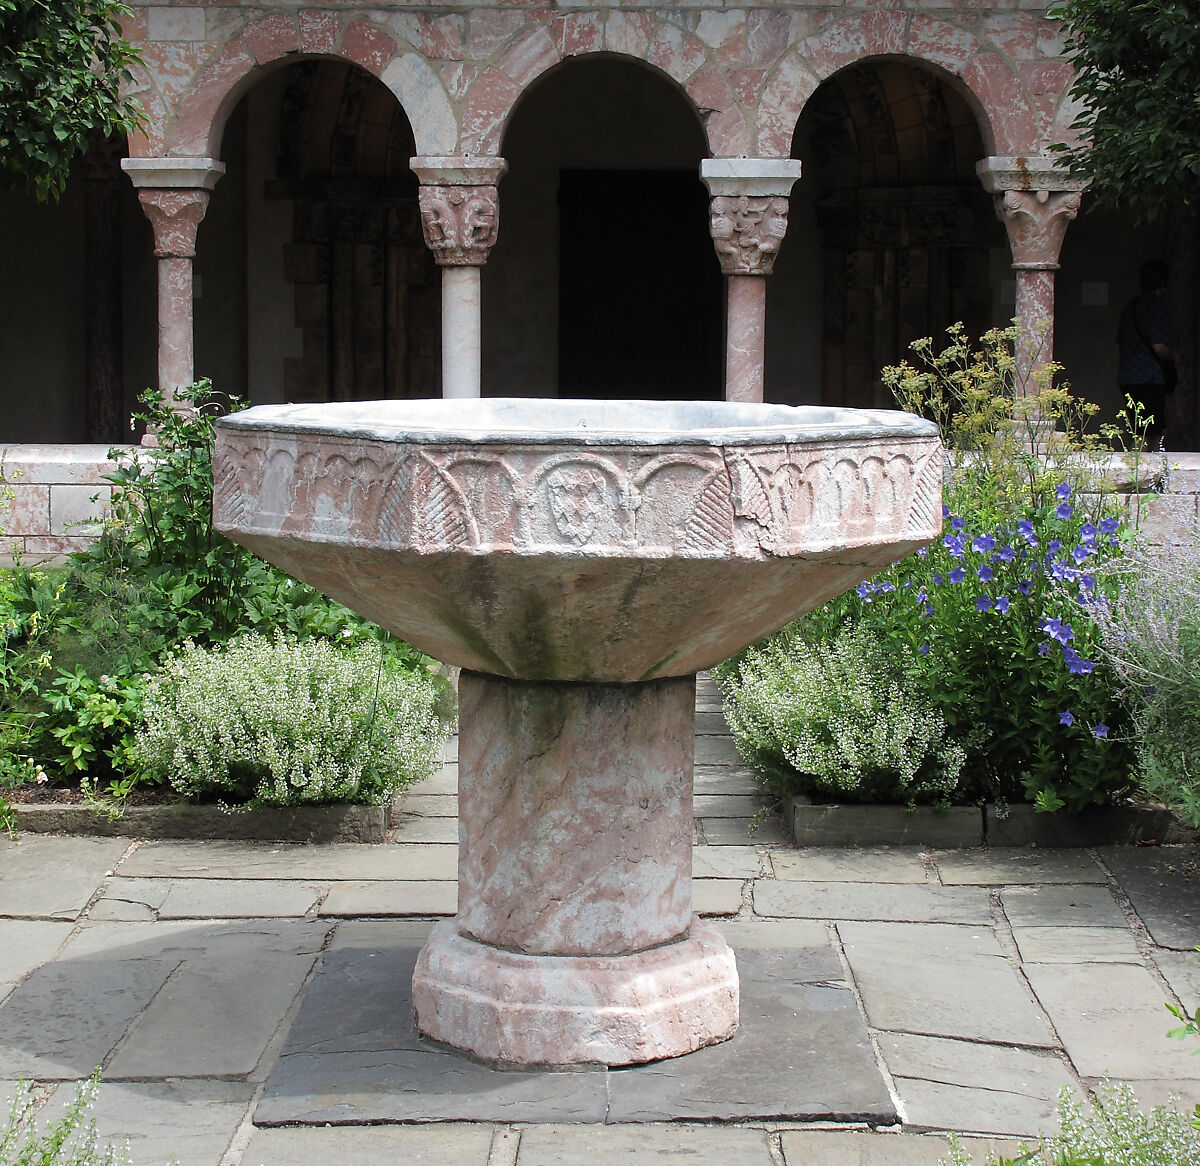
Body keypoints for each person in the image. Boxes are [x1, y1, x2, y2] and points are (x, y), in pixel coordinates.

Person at [1117, 258, 1176, 447]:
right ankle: (1148, 471)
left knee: (1138, 428)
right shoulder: (1157, 308)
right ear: (1164, 283)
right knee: (1153, 431)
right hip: (1149, 376)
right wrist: (1176, 356)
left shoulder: (1130, 308)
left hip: (1127, 376)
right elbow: (1159, 347)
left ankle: (1138, 467)